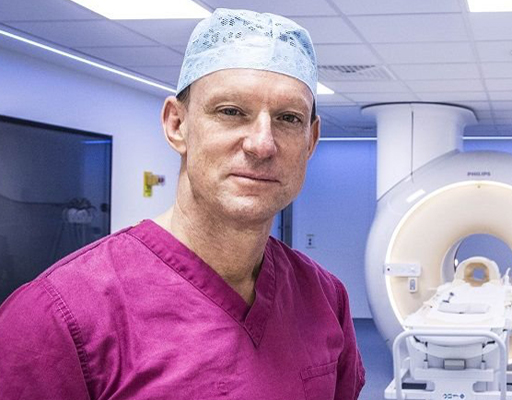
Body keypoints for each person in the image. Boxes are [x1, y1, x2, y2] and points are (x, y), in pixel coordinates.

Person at [0, 8, 365, 400]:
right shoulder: (58, 317)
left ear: (310, 142)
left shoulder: (325, 299)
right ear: (177, 125)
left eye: (289, 118)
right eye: (231, 111)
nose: (262, 143)